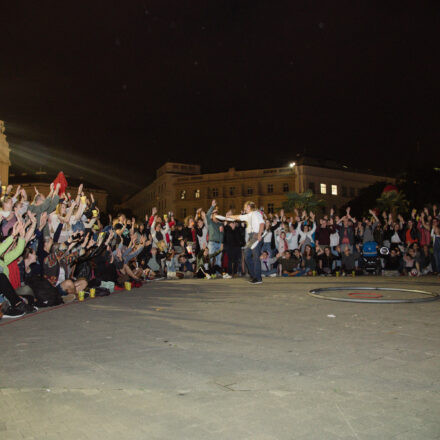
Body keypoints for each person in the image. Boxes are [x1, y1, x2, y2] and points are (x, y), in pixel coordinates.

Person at [227, 201, 265, 284]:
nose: (244, 208)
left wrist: (259, 234)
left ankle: (258, 278)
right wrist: (229, 216)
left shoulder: (256, 213)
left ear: (248, 207)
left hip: (256, 236)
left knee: (255, 257)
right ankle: (254, 276)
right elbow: (238, 217)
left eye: (245, 207)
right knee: (247, 254)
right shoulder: (247, 216)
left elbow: (262, 223)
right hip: (252, 237)